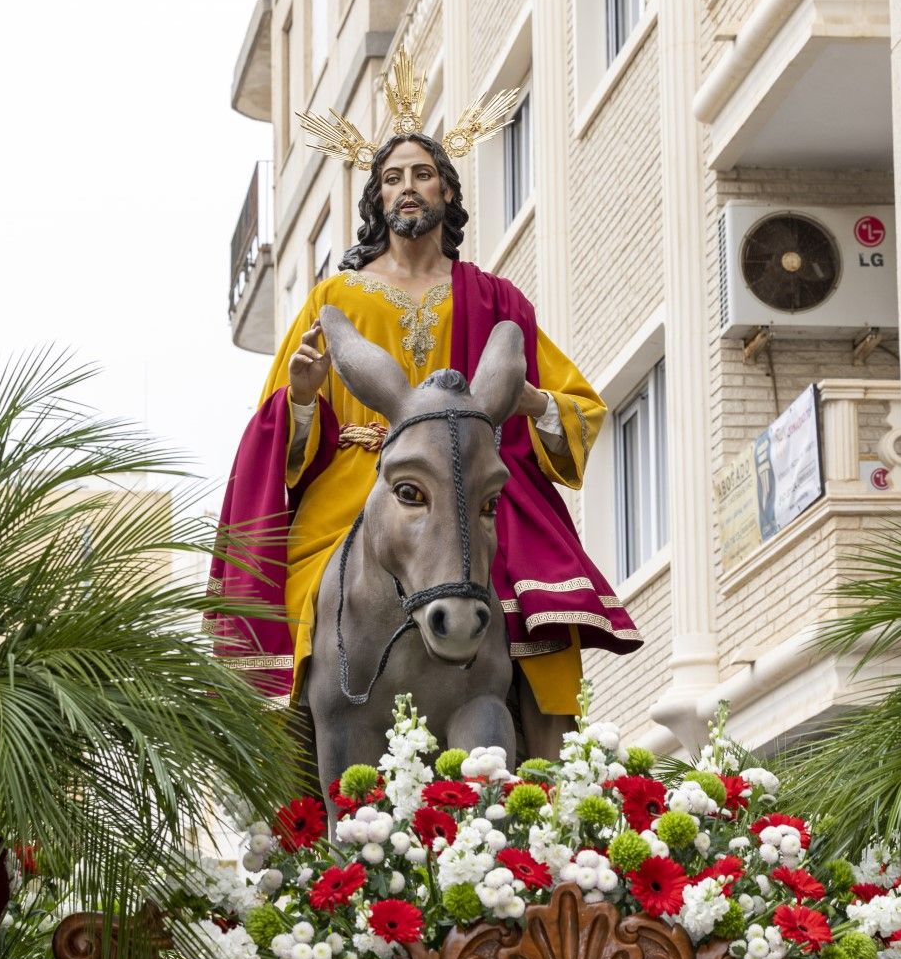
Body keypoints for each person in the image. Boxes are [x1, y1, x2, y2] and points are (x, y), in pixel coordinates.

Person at [208, 53, 639, 729]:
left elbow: (580, 410)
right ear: (377, 199)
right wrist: (299, 398)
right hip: (354, 479)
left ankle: (542, 754)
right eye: (392, 178)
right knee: (305, 606)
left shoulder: (495, 298)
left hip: (464, 484)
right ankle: (295, 756)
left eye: (423, 175)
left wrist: (528, 400)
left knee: (525, 620)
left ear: (446, 193)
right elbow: (275, 433)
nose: (407, 187)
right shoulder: (333, 297)